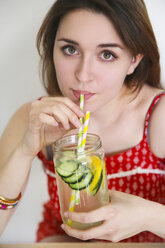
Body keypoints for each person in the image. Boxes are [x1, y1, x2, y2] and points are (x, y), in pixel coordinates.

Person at [0, 0, 165, 243]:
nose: (83, 75)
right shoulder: (34, 119)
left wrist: (147, 216)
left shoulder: (159, 117)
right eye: (70, 49)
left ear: (134, 60)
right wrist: (24, 151)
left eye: (107, 54)